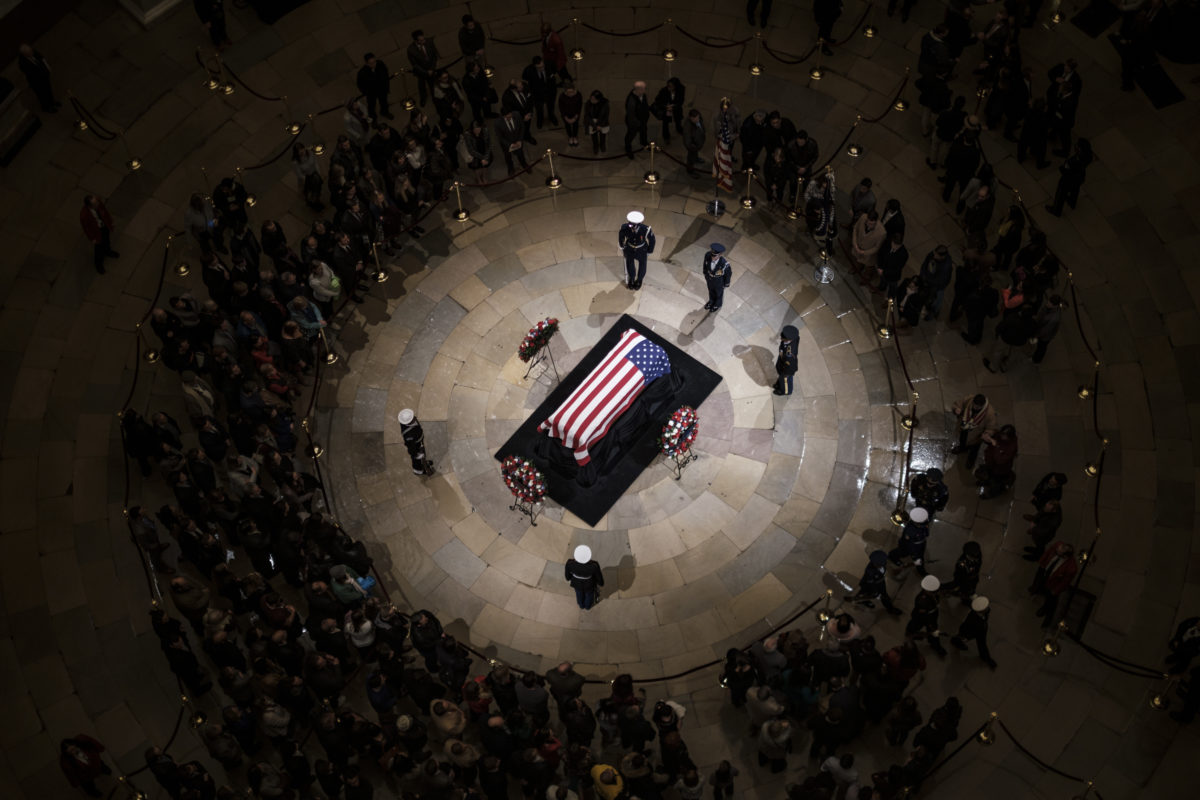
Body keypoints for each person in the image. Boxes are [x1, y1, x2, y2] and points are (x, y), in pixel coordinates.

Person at [1029, 541, 1077, 627]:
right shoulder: (1057, 546)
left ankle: (1045, 609)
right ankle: (1035, 589)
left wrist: (1055, 590)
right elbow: (1048, 552)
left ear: (1065, 556)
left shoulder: (1071, 568)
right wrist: (1042, 562)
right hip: (1044, 571)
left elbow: (1065, 582)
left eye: (1058, 553)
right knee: (1038, 581)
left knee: (1050, 599)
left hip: (1052, 583)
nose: (1056, 551)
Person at [1046, 139, 1093, 217]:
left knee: (1060, 194)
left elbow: (1067, 169)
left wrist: (1063, 168)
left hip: (1069, 179)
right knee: (1075, 189)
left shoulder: (1076, 161)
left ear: (1081, 149)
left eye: (1078, 146)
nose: (1076, 146)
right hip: (1079, 178)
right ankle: (1072, 202)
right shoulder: (1088, 156)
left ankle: (1056, 210)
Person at [951, 393, 996, 468]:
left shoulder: (990, 413)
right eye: (974, 405)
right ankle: (962, 448)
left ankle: (971, 461)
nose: (975, 408)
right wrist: (956, 409)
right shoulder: (969, 399)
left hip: (976, 435)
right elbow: (957, 404)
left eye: (978, 407)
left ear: (982, 406)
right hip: (964, 428)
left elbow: (991, 427)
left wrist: (987, 434)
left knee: (974, 449)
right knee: (962, 440)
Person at [951, 596, 997, 668]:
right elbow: (966, 627)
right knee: (962, 638)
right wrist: (967, 637)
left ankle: (985, 657)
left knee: (982, 644)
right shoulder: (972, 619)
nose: (988, 608)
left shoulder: (985, 611)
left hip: (980, 631)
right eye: (986, 608)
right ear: (981, 611)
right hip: (972, 632)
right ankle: (955, 640)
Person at [907, 574, 948, 656]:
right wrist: (932, 628)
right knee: (916, 626)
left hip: (932, 614)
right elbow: (925, 616)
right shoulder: (922, 601)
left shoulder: (933, 593)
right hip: (922, 617)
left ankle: (935, 644)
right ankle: (911, 633)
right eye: (933, 592)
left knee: (932, 633)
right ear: (927, 590)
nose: (936, 593)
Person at [976, 424, 1018, 499]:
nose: (1001, 436)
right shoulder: (1001, 436)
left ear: (1009, 437)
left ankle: (992, 493)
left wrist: (996, 445)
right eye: (1001, 434)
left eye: (1003, 435)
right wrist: (988, 436)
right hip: (991, 464)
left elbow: (1000, 460)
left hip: (1000, 469)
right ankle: (987, 482)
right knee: (988, 475)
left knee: (995, 483)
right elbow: (995, 435)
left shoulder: (1011, 447)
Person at [79, 195, 118, 275]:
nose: (98, 203)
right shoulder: (84, 215)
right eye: (95, 203)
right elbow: (87, 229)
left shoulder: (98, 203)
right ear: (90, 206)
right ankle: (98, 264)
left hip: (104, 226)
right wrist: (92, 238)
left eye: (96, 202)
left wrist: (110, 222)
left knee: (107, 240)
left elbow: (105, 212)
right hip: (97, 233)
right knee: (98, 249)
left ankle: (108, 251)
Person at [618, 210, 655, 290]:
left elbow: (652, 240)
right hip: (630, 248)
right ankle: (631, 278)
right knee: (630, 264)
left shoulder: (645, 229)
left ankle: (639, 280)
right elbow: (621, 235)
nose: (630, 226)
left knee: (642, 265)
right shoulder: (625, 227)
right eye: (630, 224)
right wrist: (622, 245)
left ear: (638, 224)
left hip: (641, 250)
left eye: (632, 225)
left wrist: (649, 250)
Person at [888, 506, 931, 575]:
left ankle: (921, 571)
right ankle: (920, 570)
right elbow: (911, 545)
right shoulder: (911, 531)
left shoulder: (918, 524)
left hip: (918, 544)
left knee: (916, 558)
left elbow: (926, 534)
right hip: (912, 546)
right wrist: (915, 556)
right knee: (916, 558)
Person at [18, 44, 59, 112]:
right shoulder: (23, 63)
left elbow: (41, 57)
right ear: (25, 54)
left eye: (31, 51)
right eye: (29, 53)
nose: (32, 53)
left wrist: (47, 68)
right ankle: (47, 107)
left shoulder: (33, 52)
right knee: (42, 95)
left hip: (44, 76)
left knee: (48, 90)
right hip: (36, 82)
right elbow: (32, 74)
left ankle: (52, 102)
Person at [918, 245, 954, 320]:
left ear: (942, 256)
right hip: (928, 281)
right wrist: (922, 275)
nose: (934, 256)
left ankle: (934, 312)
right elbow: (925, 264)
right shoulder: (933, 254)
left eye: (936, 255)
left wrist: (927, 277)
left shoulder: (946, 266)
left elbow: (939, 280)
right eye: (934, 253)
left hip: (938, 287)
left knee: (937, 300)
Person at [522, 56, 557, 130]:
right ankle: (540, 120)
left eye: (542, 66)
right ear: (534, 66)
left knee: (551, 107)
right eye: (539, 68)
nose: (541, 69)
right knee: (539, 109)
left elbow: (554, 71)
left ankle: (552, 117)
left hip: (550, 92)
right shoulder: (528, 70)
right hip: (537, 94)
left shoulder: (550, 64)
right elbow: (524, 79)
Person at [406, 30, 439, 108]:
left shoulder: (429, 41)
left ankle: (435, 98)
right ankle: (423, 98)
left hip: (431, 69)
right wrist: (426, 72)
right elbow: (415, 64)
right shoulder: (411, 50)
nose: (424, 41)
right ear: (415, 41)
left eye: (423, 39)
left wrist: (432, 68)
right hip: (421, 72)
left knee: (433, 84)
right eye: (421, 40)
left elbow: (434, 56)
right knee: (422, 86)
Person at [565, 545, 603, 610]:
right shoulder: (594, 565)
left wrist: (570, 578)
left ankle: (581, 605)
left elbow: (567, 576)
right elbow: (598, 576)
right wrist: (601, 583)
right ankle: (587, 606)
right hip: (589, 584)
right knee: (589, 595)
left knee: (579, 594)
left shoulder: (570, 563)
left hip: (577, 583)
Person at [398, 409, 435, 476]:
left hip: (419, 441)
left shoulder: (409, 423)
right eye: (412, 419)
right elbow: (411, 448)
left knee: (424, 454)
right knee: (416, 460)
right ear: (408, 422)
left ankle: (423, 462)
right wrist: (416, 455)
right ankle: (418, 470)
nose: (415, 418)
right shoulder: (408, 435)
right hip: (416, 446)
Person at [356, 53, 391, 122]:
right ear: (366, 63)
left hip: (382, 89)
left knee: (384, 102)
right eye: (371, 63)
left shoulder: (380, 64)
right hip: (371, 93)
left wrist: (386, 87)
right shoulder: (362, 73)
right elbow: (360, 84)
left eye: (374, 62)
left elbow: (385, 75)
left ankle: (384, 112)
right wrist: (366, 92)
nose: (373, 65)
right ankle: (373, 119)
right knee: (371, 106)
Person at [652, 77, 686, 146]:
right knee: (665, 123)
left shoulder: (681, 89)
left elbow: (681, 101)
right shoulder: (664, 90)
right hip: (666, 109)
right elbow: (657, 100)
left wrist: (674, 106)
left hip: (676, 109)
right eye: (668, 86)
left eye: (671, 86)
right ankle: (666, 137)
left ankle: (679, 129)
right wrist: (666, 106)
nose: (669, 88)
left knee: (678, 119)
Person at [495, 108, 529, 175]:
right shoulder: (498, 123)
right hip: (507, 144)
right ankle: (510, 168)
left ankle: (524, 164)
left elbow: (522, 127)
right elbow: (500, 137)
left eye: (510, 115)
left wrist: (519, 140)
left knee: (520, 154)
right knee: (508, 157)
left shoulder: (517, 115)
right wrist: (510, 145)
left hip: (517, 140)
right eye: (507, 117)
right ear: (503, 116)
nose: (509, 118)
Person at [623, 80, 650, 159]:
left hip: (642, 120)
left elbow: (645, 105)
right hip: (634, 122)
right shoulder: (631, 100)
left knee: (644, 132)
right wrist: (638, 124)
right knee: (631, 135)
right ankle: (628, 148)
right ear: (638, 89)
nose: (645, 90)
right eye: (644, 89)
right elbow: (631, 115)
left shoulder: (643, 95)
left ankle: (644, 143)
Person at [702, 242, 732, 312]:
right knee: (711, 291)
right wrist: (705, 273)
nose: (713, 257)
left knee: (718, 294)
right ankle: (711, 301)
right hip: (709, 279)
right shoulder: (708, 255)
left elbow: (728, 274)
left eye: (715, 256)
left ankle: (717, 304)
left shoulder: (724, 264)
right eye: (712, 255)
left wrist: (726, 284)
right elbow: (705, 264)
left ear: (720, 255)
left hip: (719, 282)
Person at [773, 324, 799, 396]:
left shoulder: (789, 355)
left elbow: (790, 367)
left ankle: (785, 391)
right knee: (781, 377)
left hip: (787, 370)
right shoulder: (792, 337)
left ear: (789, 339)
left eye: (782, 338)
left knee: (786, 381)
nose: (781, 339)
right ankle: (779, 384)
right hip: (782, 363)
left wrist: (786, 374)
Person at [682, 109, 706, 177]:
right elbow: (687, 142)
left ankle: (696, 159)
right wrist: (693, 147)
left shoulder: (698, 119)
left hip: (697, 143)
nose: (698, 119)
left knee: (695, 153)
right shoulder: (687, 128)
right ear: (691, 118)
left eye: (698, 117)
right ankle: (690, 171)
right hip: (693, 147)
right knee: (690, 158)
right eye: (696, 118)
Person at [558, 82, 582, 147]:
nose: (570, 94)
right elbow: (561, 108)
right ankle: (570, 137)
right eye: (569, 92)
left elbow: (579, 107)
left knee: (575, 125)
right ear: (565, 92)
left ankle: (575, 136)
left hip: (575, 115)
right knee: (567, 126)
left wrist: (575, 117)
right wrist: (566, 118)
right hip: (566, 115)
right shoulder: (562, 97)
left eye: (572, 92)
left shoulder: (578, 95)